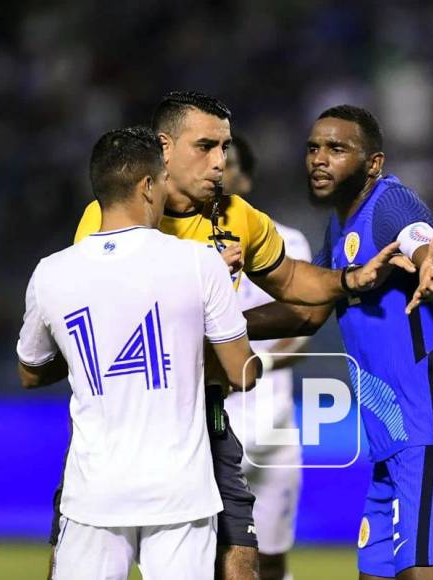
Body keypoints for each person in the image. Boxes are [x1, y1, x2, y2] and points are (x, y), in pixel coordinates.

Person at [61, 92, 404, 580]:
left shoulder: (237, 216)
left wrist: (350, 279)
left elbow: (290, 281)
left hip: (208, 414)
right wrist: (198, 280)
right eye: (206, 146)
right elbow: (102, 320)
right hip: (120, 419)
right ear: (164, 147)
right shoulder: (110, 217)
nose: (220, 161)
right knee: (80, 559)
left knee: (244, 558)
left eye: (223, 147)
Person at [243, 105, 433, 579]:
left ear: (373, 163)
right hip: (390, 445)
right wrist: (221, 323)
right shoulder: (338, 229)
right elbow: (307, 310)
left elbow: (425, 244)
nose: (319, 159)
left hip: (430, 432)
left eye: (337, 149)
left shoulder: (388, 203)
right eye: (314, 148)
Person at [17, 126, 260, 580]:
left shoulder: (50, 273)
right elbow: (242, 372)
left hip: (92, 494)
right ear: (148, 185)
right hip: (180, 495)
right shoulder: (199, 263)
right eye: (163, 181)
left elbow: (30, 372)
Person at [222, 134, 311, 580]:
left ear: (248, 178)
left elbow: (301, 327)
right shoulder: (175, 246)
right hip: (210, 425)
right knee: (207, 558)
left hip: (272, 427)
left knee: (272, 558)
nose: (220, 172)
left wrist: (256, 364)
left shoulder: (287, 242)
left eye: (230, 163)